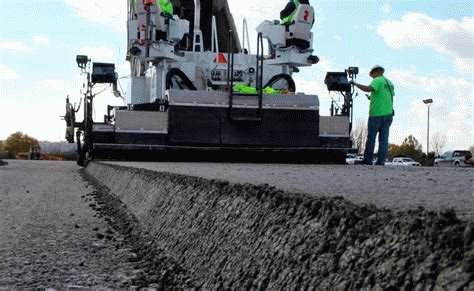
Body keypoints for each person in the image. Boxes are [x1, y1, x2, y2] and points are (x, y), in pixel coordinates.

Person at [352, 65, 395, 165]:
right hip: (388, 114)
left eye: (372, 75)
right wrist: (371, 98)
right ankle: (381, 161)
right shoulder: (390, 83)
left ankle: (368, 160)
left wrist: (355, 84)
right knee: (384, 140)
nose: (372, 77)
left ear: (376, 72)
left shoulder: (378, 80)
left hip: (376, 114)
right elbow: (385, 98)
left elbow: (368, 88)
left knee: (371, 138)